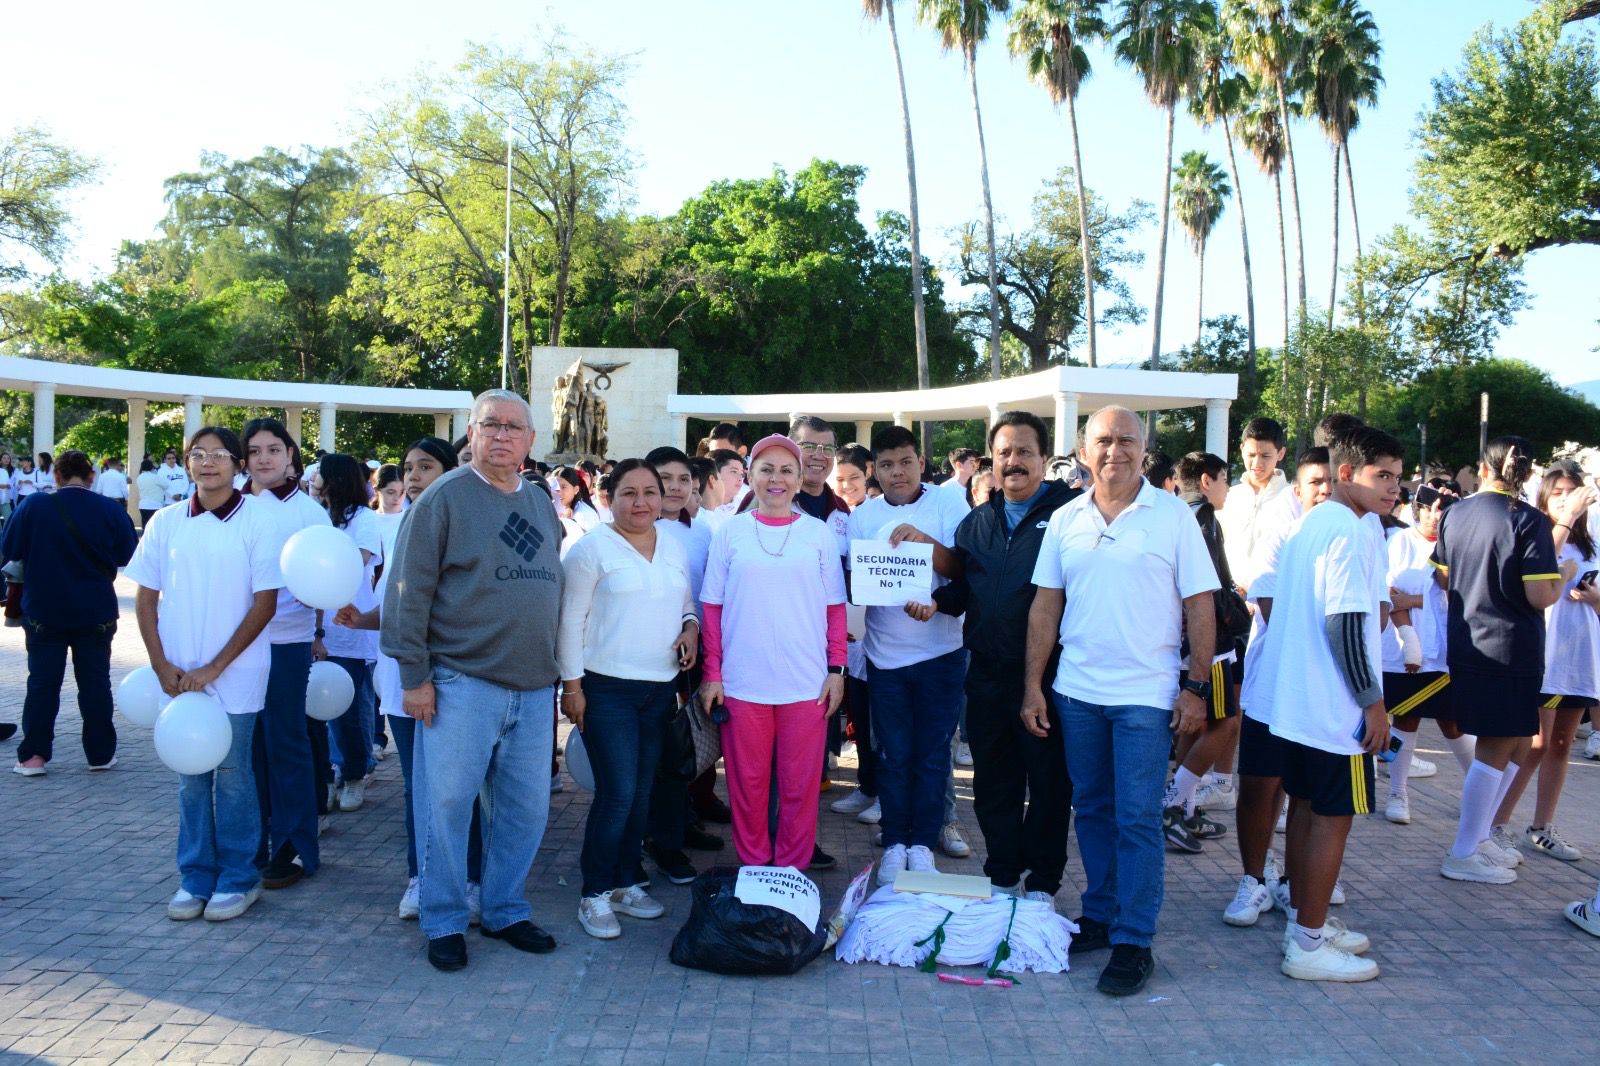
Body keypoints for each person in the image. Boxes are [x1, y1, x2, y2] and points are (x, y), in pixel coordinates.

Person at [1021, 405, 1218, 997]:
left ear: (1144, 449)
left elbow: (1200, 606)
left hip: (1145, 696)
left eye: (1127, 440)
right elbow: (1045, 606)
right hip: (1076, 692)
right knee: (1094, 809)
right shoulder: (1065, 518)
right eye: (1103, 440)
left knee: (1136, 817)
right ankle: (1102, 914)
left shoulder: (1174, 516)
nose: (1115, 450)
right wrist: (1033, 685)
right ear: (1084, 451)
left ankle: (1134, 939)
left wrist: (1196, 687)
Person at [381, 389, 564, 972]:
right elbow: (407, 591)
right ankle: (443, 919)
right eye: (491, 425)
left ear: (531, 440)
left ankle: (505, 909)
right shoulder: (444, 498)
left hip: (533, 687)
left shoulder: (538, 501)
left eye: (514, 427)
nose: (502, 435)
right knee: (447, 807)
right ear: (471, 432)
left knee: (524, 811)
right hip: (461, 683)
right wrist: (415, 676)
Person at [1246, 426, 1403, 983]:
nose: (1394, 487)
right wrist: (1373, 704)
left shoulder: (1312, 523)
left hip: (1297, 705)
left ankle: (1302, 925)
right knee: (1332, 820)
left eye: (1398, 476)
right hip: (1336, 710)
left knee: (1308, 810)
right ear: (1346, 473)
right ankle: (1309, 945)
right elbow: (1346, 624)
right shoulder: (1349, 530)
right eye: (1382, 475)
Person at [124, 427, 283, 923]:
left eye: (219, 454)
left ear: (237, 464)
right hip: (177, 674)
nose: (208, 462)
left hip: (236, 671)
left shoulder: (259, 519)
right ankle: (194, 875)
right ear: (186, 462)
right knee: (190, 777)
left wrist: (216, 666)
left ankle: (238, 876)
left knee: (233, 775)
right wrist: (159, 663)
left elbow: (265, 603)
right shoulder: (167, 521)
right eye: (198, 454)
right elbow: (145, 598)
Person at [927, 411, 1077, 902]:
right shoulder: (977, 522)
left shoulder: (1071, 514)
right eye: (1004, 452)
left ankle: (1043, 882)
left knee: (1049, 784)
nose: (1014, 461)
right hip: (987, 676)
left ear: (1043, 458)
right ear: (991, 460)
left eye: (1024, 452)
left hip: (1049, 678)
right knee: (994, 783)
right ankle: (1003, 875)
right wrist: (934, 603)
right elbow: (966, 589)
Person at [558, 459, 699, 939]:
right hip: (606, 689)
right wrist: (572, 688)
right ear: (608, 498)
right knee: (617, 793)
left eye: (650, 492)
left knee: (641, 793)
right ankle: (594, 892)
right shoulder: (589, 550)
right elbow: (569, 623)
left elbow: (685, 603)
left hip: (659, 689)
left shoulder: (673, 545)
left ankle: (624, 881)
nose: (641, 502)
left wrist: (691, 628)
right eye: (629, 493)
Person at [700, 434, 847, 869]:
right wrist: (713, 673)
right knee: (748, 784)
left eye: (786, 470)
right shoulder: (730, 533)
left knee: (800, 785)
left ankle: (791, 871)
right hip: (743, 683)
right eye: (766, 470)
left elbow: (835, 609)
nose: (776, 479)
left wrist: (836, 669)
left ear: (800, 479)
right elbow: (712, 608)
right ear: (750, 476)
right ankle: (754, 867)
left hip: (806, 684)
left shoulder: (818, 534)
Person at [1433, 435, 1562, 886]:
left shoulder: (1454, 513)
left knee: (1519, 740)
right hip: (1510, 647)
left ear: (1483, 468)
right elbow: (1540, 594)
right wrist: (1563, 576)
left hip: (1468, 641)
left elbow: (1442, 575)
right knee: (1496, 746)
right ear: (1528, 473)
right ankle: (1464, 850)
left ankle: (1480, 836)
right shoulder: (1529, 520)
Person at [848, 425, 970, 884]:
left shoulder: (949, 503)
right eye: (886, 465)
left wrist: (926, 545)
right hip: (885, 657)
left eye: (905, 462)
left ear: (920, 462)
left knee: (933, 755)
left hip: (942, 652)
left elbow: (964, 569)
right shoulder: (863, 516)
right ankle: (896, 842)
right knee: (894, 755)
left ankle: (923, 845)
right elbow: (857, 584)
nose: (897, 472)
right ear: (874, 470)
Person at [1225, 448, 1333, 927]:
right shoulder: (1281, 535)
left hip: (1321, 693)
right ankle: (1253, 879)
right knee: (1258, 787)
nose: (1323, 490)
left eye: (1330, 482)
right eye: (1314, 482)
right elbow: (1273, 609)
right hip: (1271, 687)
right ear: (1298, 488)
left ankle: (1294, 883)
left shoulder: (1355, 533)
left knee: (1305, 793)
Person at [235, 418, 332, 889]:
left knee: (285, 741)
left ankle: (294, 846)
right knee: (245, 746)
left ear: (290, 454)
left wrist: (317, 632)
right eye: (254, 451)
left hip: (286, 641)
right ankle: (250, 842)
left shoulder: (309, 513)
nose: (264, 458)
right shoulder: (231, 506)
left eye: (274, 449)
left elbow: (325, 580)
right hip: (233, 645)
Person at [1486, 460, 1597, 862]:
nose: (1566, 500)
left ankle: (1541, 827)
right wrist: (1567, 518)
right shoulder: (1538, 533)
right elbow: (1539, 566)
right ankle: (1494, 824)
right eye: (1558, 493)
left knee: (1562, 743)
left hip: (1579, 656)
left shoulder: (1591, 542)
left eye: (1572, 492)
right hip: (1541, 654)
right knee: (1534, 743)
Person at [3, 450, 137, 776]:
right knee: (95, 684)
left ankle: (34, 757)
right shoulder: (110, 509)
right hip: (96, 610)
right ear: (91, 477)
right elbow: (128, 554)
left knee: (42, 684)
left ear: (56, 476)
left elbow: (9, 548)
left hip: (44, 609)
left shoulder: (34, 505)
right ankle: (100, 755)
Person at [639, 445, 724, 884]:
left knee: (689, 743)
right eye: (664, 478)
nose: (674, 487)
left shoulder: (703, 531)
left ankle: (682, 822)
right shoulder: (634, 528)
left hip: (695, 651)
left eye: (683, 479)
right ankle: (655, 836)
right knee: (655, 751)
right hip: (645, 657)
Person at [1160, 452, 1244, 853]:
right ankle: (1172, 801)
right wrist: (1231, 608)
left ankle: (1186, 806)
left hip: (1185, 638)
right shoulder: (1203, 517)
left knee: (1193, 725)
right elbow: (1205, 588)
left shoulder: (1177, 515)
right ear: (1208, 481)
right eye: (1225, 480)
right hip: (1207, 641)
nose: (1227, 489)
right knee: (1225, 723)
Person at [1380, 486, 1468, 826]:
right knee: (1405, 717)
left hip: (1446, 648)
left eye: (1441, 509)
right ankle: (1397, 793)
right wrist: (1409, 637)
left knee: (1453, 721)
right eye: (1428, 508)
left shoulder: (1459, 544)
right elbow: (1389, 592)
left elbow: (1459, 593)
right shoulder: (1398, 541)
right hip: (1405, 649)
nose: (1433, 515)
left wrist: (1415, 600)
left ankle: (1481, 791)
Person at [317, 454, 384, 812]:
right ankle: (326, 777)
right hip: (314, 628)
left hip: (349, 626)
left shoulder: (364, 518)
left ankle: (355, 774)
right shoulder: (316, 516)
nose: (313, 480)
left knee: (347, 711)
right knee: (317, 710)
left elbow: (358, 560)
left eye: (320, 475)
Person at [832, 445, 871, 509]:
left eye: (854, 478)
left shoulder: (878, 511)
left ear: (866, 475)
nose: (847, 486)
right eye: (840, 479)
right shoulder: (825, 511)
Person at [136, 458, 166, 530]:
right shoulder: (155, 477)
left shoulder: (139, 477)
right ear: (151, 467)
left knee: (145, 525)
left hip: (143, 505)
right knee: (155, 527)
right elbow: (166, 485)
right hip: (156, 504)